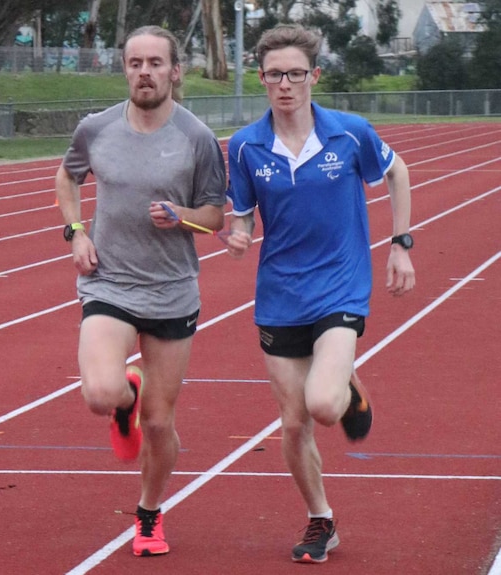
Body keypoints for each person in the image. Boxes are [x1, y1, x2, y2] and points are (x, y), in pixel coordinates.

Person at [223, 24, 416, 563]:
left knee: (324, 405)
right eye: (275, 75)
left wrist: (400, 243)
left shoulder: (349, 133)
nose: (286, 84)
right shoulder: (245, 146)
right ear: (261, 79)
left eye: (297, 74)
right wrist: (236, 234)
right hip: (280, 295)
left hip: (341, 288)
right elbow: (240, 215)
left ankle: (347, 383)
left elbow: (398, 171)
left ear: (315, 76)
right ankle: (320, 520)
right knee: (292, 423)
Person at [54, 25, 227, 557]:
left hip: (172, 289)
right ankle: (124, 392)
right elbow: (67, 178)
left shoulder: (196, 137)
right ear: (124, 69)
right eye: (135, 63)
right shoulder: (96, 128)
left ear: (175, 71)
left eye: (155, 63)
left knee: (158, 422)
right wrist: (76, 231)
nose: (144, 72)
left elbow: (215, 218)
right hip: (109, 281)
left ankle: (149, 513)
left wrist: (181, 219)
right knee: (99, 395)